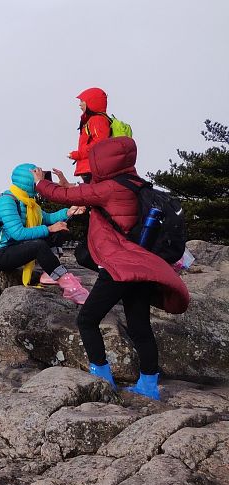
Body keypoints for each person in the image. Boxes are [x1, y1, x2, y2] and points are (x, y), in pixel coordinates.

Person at [34, 137, 190, 400]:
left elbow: (64, 196)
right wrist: (69, 185)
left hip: (119, 266)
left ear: (103, 161)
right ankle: (148, 386)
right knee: (139, 327)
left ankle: (102, 378)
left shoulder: (108, 188)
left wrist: (41, 182)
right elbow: (90, 193)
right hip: (140, 265)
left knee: (87, 320)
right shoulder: (135, 183)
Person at [0, 163, 90, 304]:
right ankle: (69, 285)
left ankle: (49, 273)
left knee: (61, 232)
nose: (40, 184)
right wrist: (49, 229)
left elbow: (47, 218)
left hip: (15, 247)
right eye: (37, 179)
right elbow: (18, 233)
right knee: (39, 245)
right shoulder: (7, 200)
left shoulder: (29, 203)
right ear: (28, 181)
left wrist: (68, 212)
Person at [68, 87, 112, 183]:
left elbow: (99, 144)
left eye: (82, 101)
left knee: (92, 190)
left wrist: (79, 154)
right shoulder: (93, 119)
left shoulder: (97, 120)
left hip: (92, 167)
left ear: (91, 102)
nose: (79, 104)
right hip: (91, 166)